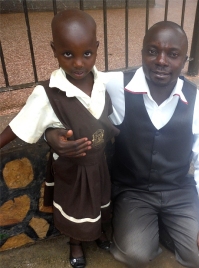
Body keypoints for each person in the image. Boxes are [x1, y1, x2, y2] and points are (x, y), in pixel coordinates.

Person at [45, 21, 199, 268]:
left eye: (173, 55)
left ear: (185, 59)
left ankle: (171, 229)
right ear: (141, 53)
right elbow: (63, 90)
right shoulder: (114, 85)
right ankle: (156, 230)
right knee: (135, 254)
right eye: (152, 51)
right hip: (133, 191)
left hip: (178, 191)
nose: (161, 61)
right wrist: (50, 132)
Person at [0, 10, 119, 268]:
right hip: (72, 170)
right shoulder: (48, 93)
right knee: (75, 206)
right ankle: (75, 242)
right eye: (68, 54)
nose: (78, 63)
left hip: (97, 164)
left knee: (98, 201)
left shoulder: (101, 82)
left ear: (97, 48)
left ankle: (97, 232)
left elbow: (106, 115)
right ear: (54, 50)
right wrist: (49, 135)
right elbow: (22, 123)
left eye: (87, 54)